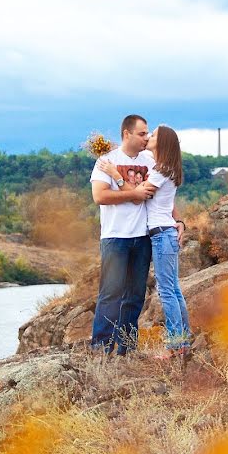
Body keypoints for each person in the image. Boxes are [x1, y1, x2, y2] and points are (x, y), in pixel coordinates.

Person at [98, 125, 190, 359]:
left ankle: (175, 346)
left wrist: (116, 174)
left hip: (160, 233)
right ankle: (182, 342)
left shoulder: (160, 171)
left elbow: (140, 196)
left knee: (168, 292)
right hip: (163, 231)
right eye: (145, 133)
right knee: (174, 290)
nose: (149, 137)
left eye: (154, 135)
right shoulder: (164, 167)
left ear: (163, 143)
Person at [89, 115, 155, 356]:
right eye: (141, 133)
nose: (146, 137)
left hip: (143, 236)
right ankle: (100, 350)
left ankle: (127, 349)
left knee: (135, 295)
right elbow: (100, 196)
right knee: (111, 293)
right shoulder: (106, 161)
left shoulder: (149, 160)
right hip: (115, 237)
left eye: (147, 133)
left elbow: (154, 194)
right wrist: (133, 194)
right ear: (126, 134)